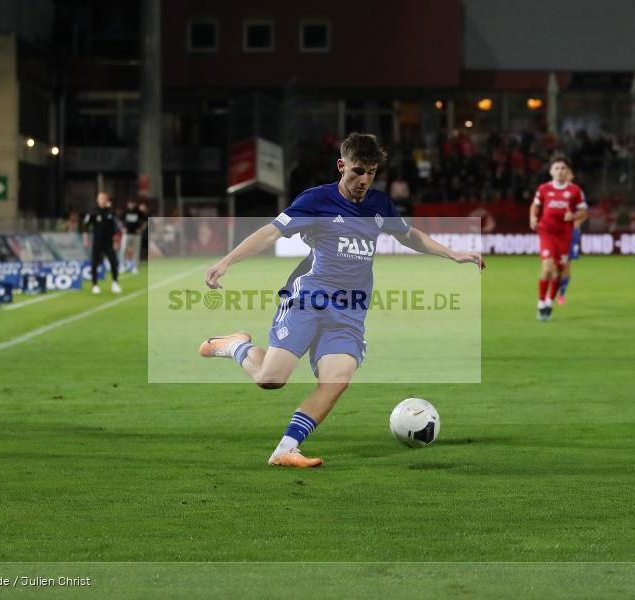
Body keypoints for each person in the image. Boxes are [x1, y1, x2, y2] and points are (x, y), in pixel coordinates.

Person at [198, 133, 485, 468]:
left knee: (337, 379)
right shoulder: (316, 201)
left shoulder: (379, 205)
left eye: (371, 172)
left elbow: (409, 235)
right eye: (357, 171)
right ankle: (234, 345)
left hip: (350, 311)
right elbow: (271, 232)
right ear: (341, 165)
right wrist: (225, 262)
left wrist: (453, 254)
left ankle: (285, 450)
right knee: (270, 379)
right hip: (308, 299)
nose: (364, 180)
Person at [529, 155, 586, 321]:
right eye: (557, 168)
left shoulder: (575, 191)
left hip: (564, 235)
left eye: (563, 168)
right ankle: (541, 303)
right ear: (551, 171)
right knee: (548, 267)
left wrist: (574, 215)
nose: (560, 171)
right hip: (547, 231)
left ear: (567, 171)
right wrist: (533, 217)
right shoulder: (544, 189)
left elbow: (584, 211)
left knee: (560, 272)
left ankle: (549, 301)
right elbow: (535, 205)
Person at [555, 167, 587, 305]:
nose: (566, 174)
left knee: (566, 266)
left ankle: (561, 294)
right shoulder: (553, 191)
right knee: (555, 265)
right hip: (557, 232)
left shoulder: (577, 192)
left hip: (572, 233)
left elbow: (584, 212)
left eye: (568, 171)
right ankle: (552, 291)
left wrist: (576, 221)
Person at [83, 192, 122, 294]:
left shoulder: (111, 212)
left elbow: (115, 228)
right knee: (95, 263)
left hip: (109, 242)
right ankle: (95, 285)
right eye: (100, 198)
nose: (102, 200)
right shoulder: (93, 212)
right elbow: (85, 227)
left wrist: (116, 241)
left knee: (113, 262)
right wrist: (86, 240)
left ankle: (115, 283)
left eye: (104, 198)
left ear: (107, 200)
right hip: (97, 242)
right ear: (97, 200)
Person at [119, 199, 146, 274]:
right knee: (123, 249)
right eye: (130, 203)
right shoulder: (125, 212)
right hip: (126, 234)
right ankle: (122, 266)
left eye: (132, 203)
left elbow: (145, 221)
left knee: (136, 250)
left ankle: (135, 267)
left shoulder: (138, 212)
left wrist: (141, 229)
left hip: (136, 234)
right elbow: (119, 221)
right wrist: (122, 229)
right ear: (128, 204)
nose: (131, 205)